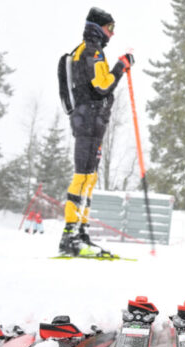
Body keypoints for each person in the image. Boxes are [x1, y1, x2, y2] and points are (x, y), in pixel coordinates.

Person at [58, 7, 133, 257]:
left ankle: (80, 232)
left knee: (89, 177)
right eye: (110, 28)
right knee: (83, 176)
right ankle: (71, 235)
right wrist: (121, 66)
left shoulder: (88, 50)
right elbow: (102, 85)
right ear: (98, 28)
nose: (112, 33)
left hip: (91, 120)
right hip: (89, 119)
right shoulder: (92, 51)